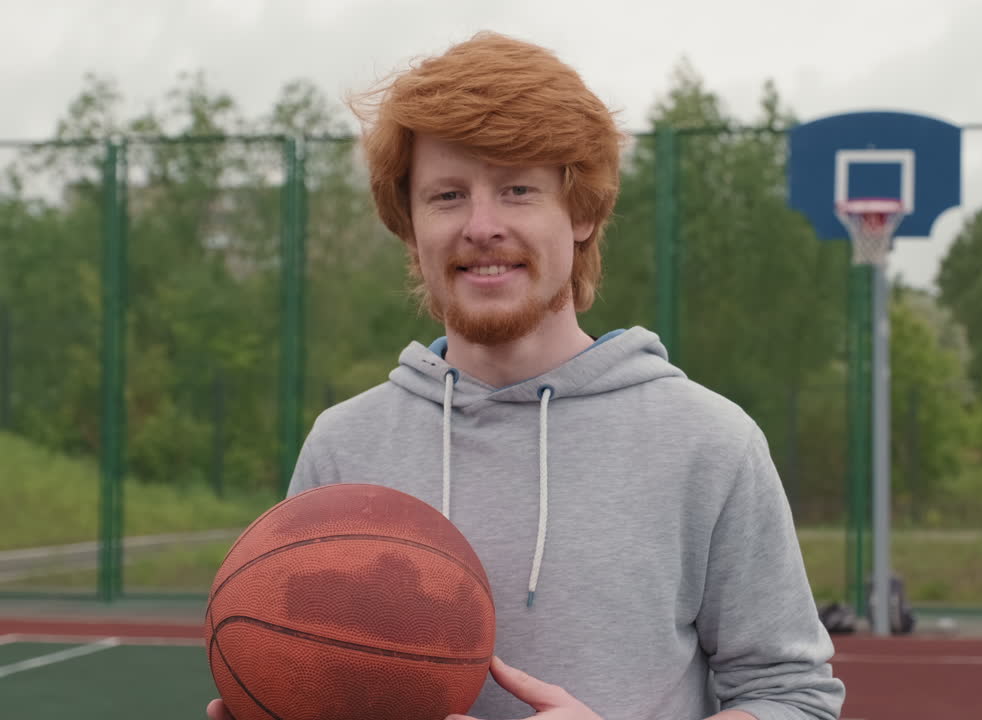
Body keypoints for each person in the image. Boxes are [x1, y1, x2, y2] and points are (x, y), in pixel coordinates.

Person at [208, 31, 845, 720]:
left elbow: (793, 698)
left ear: (582, 213)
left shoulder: (707, 443)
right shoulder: (344, 446)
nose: (482, 226)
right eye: (447, 195)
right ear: (410, 227)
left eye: (517, 189)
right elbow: (309, 676)